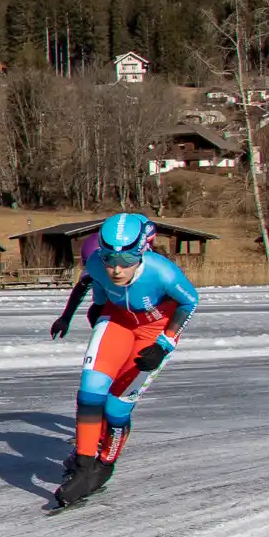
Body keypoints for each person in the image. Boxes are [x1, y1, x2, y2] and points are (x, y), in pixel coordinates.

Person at [51, 213, 198, 508]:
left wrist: (165, 343)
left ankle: (105, 463)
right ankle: (83, 467)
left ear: (143, 251)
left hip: (154, 331)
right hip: (118, 322)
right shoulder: (96, 265)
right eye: (109, 259)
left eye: (128, 260)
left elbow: (189, 302)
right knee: (90, 393)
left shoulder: (163, 273)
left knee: (117, 407)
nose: (117, 269)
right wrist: (77, 313)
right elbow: (88, 286)